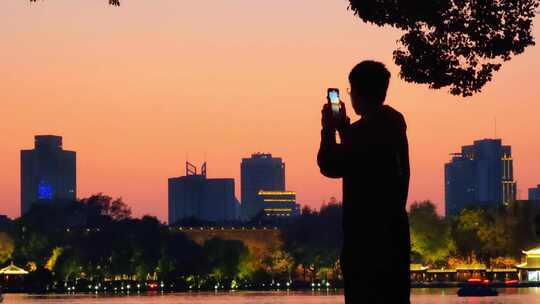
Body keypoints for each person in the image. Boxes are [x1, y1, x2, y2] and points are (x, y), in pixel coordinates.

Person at [318, 61, 411, 304]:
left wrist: (328, 130)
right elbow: (365, 157)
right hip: (395, 236)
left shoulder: (364, 132)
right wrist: (346, 129)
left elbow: (330, 165)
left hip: (365, 242)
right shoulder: (394, 122)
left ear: (357, 92)